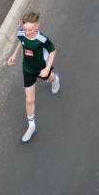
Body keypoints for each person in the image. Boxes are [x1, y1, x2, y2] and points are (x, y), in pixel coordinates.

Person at [6, 11, 60, 142]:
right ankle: (31, 126)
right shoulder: (21, 34)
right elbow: (21, 41)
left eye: (30, 29)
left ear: (37, 26)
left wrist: (47, 68)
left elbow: (52, 50)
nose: (27, 32)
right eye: (25, 29)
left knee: (48, 79)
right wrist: (14, 55)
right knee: (29, 100)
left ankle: (56, 79)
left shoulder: (42, 39)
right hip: (28, 69)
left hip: (41, 69)